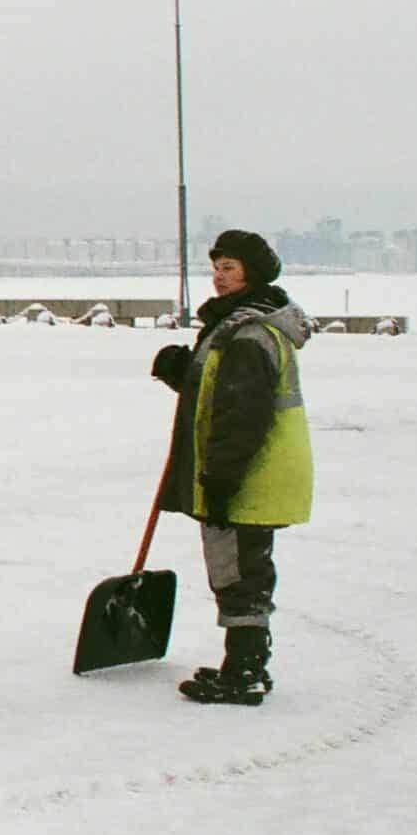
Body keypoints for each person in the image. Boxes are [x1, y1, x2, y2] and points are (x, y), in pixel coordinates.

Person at [151, 229, 315, 706]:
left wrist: (220, 478)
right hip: (252, 472)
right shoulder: (238, 327)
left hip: (247, 474)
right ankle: (244, 663)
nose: (219, 278)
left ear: (253, 274)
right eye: (217, 268)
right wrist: (183, 372)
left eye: (230, 269)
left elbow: (242, 416)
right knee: (244, 566)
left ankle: (244, 671)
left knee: (238, 570)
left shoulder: (247, 334)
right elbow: (221, 395)